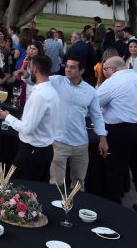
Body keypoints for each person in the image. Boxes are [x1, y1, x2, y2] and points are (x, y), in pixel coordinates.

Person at [97, 56, 137, 218]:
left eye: (105, 70)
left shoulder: (112, 82)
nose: (104, 73)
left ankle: (115, 207)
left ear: (113, 69)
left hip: (120, 130)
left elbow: (94, 103)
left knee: (115, 169)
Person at [48, 57, 108, 187]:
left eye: (72, 67)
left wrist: (103, 138)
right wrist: (27, 74)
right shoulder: (56, 81)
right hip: (59, 141)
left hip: (81, 144)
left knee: (79, 183)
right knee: (56, 183)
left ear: (81, 71)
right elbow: (38, 80)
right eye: (67, 66)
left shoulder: (90, 91)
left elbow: (97, 116)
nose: (68, 69)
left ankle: (75, 206)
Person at [0, 54, 59, 181]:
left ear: (35, 69)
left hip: (32, 150)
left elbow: (27, 129)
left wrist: (8, 117)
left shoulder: (40, 95)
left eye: (30, 68)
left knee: (16, 188)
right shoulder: (52, 91)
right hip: (44, 149)